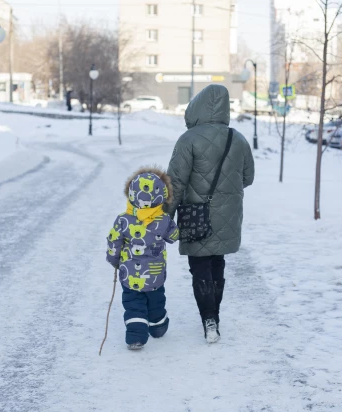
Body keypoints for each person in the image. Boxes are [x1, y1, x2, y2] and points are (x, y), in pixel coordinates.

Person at [167, 84, 255, 343]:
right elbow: (247, 178)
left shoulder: (189, 139)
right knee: (218, 263)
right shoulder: (237, 138)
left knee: (200, 266)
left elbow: (175, 183)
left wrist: (165, 215)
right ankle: (214, 317)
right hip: (228, 213)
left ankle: (208, 318)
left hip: (196, 214)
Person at [106, 168, 179, 350]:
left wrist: (114, 259)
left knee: (133, 303)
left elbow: (114, 240)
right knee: (156, 301)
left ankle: (136, 337)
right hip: (155, 274)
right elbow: (174, 236)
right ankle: (158, 327)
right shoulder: (164, 220)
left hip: (129, 273)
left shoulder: (123, 220)